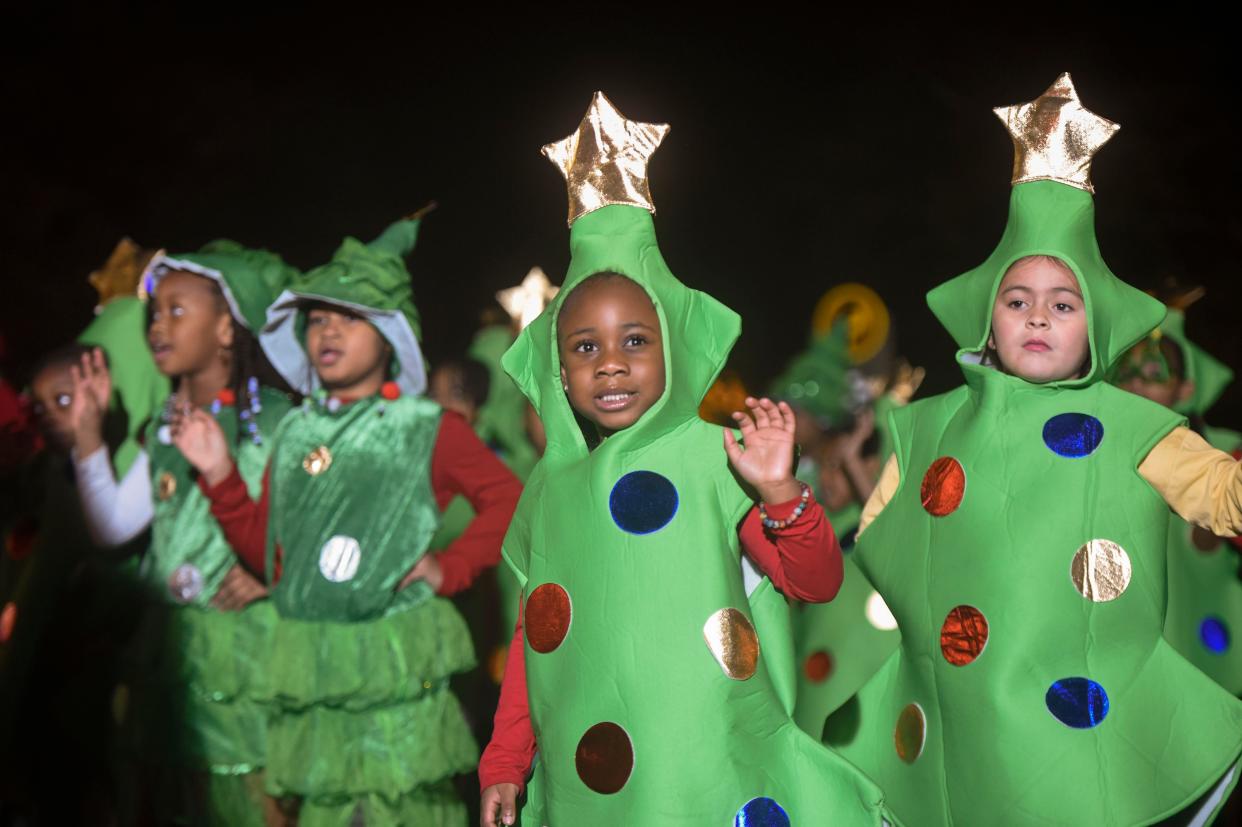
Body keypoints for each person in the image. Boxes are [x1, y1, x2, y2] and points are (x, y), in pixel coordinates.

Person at [826, 74, 1242, 826]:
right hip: (964, 708)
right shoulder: (928, 427)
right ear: (989, 322)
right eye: (1018, 301)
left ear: (1094, 327)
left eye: (1064, 301)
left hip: (1084, 722)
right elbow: (879, 534)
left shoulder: (1132, 425)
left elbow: (1217, 492)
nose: (1039, 315)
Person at [477, 91, 893, 827]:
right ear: (557, 370)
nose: (610, 363)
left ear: (673, 347)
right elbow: (534, 635)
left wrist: (779, 494)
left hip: (705, 776)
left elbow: (817, 581)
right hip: (594, 783)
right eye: (585, 347)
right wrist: (506, 760)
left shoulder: (716, 459)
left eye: (635, 339)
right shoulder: (548, 488)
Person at [173, 214, 523, 826]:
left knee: (398, 809)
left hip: (394, 668)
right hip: (314, 672)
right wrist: (222, 475)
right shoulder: (296, 431)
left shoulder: (426, 427)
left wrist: (452, 566)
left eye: (349, 317)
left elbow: (510, 498)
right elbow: (272, 556)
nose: (327, 332)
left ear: (388, 337)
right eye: (318, 319)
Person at [71, 241, 298, 825]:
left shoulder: (277, 420)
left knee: (251, 799)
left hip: (251, 654)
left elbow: (322, 532)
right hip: (172, 655)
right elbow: (114, 526)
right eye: (154, 313)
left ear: (227, 329)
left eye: (178, 310)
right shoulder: (163, 429)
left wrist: (277, 575)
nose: (157, 325)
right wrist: (90, 438)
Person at [1113, 298, 1242, 695]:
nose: (1137, 383)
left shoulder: (1222, 452)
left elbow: (1208, 537)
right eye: (1127, 372)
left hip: (1193, 628)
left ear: (1184, 388)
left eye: (1155, 373)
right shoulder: (1085, 444)